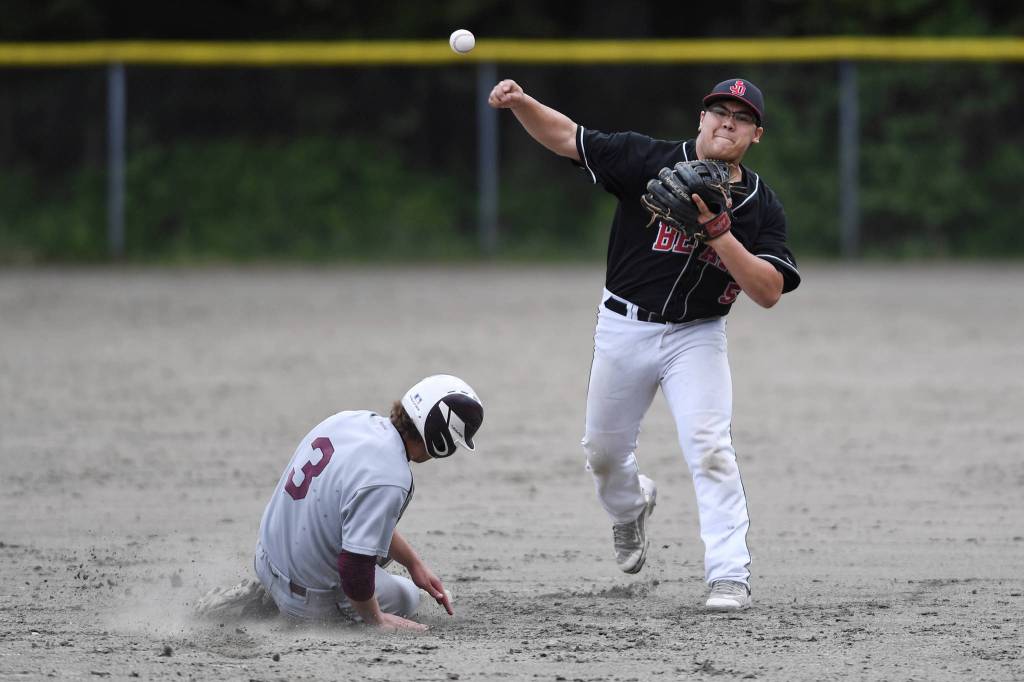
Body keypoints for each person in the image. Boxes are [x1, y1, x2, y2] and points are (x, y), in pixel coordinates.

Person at [488, 77, 800, 611]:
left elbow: (769, 292)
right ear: (700, 118)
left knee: (710, 450)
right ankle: (630, 508)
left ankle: (728, 576)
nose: (728, 121)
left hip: (697, 336)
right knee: (604, 455)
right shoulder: (647, 158)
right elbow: (569, 138)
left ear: (756, 135)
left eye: (741, 117)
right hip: (623, 327)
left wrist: (720, 231)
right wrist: (521, 103)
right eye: (719, 111)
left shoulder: (759, 206)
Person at [196, 374, 484, 631]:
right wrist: (377, 621)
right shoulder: (391, 476)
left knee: (371, 548)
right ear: (439, 436)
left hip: (266, 558)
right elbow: (355, 567)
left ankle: (270, 590)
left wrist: (413, 563)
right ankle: (288, 603)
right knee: (409, 596)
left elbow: (348, 509)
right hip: (307, 601)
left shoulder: (351, 421)